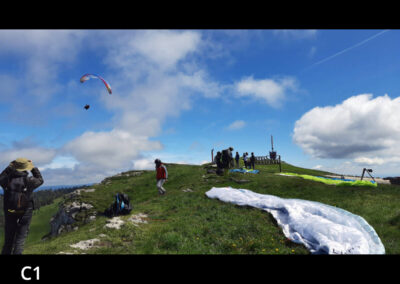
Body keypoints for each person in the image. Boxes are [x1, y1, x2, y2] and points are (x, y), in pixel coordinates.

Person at [0, 158, 44, 255]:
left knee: (8, 241)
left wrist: (9, 167)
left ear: (14, 167)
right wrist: (32, 167)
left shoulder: (6, 180)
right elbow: (40, 180)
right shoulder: (30, 180)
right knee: (20, 240)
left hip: (10, 211)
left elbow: (1, 176)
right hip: (25, 211)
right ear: (25, 168)